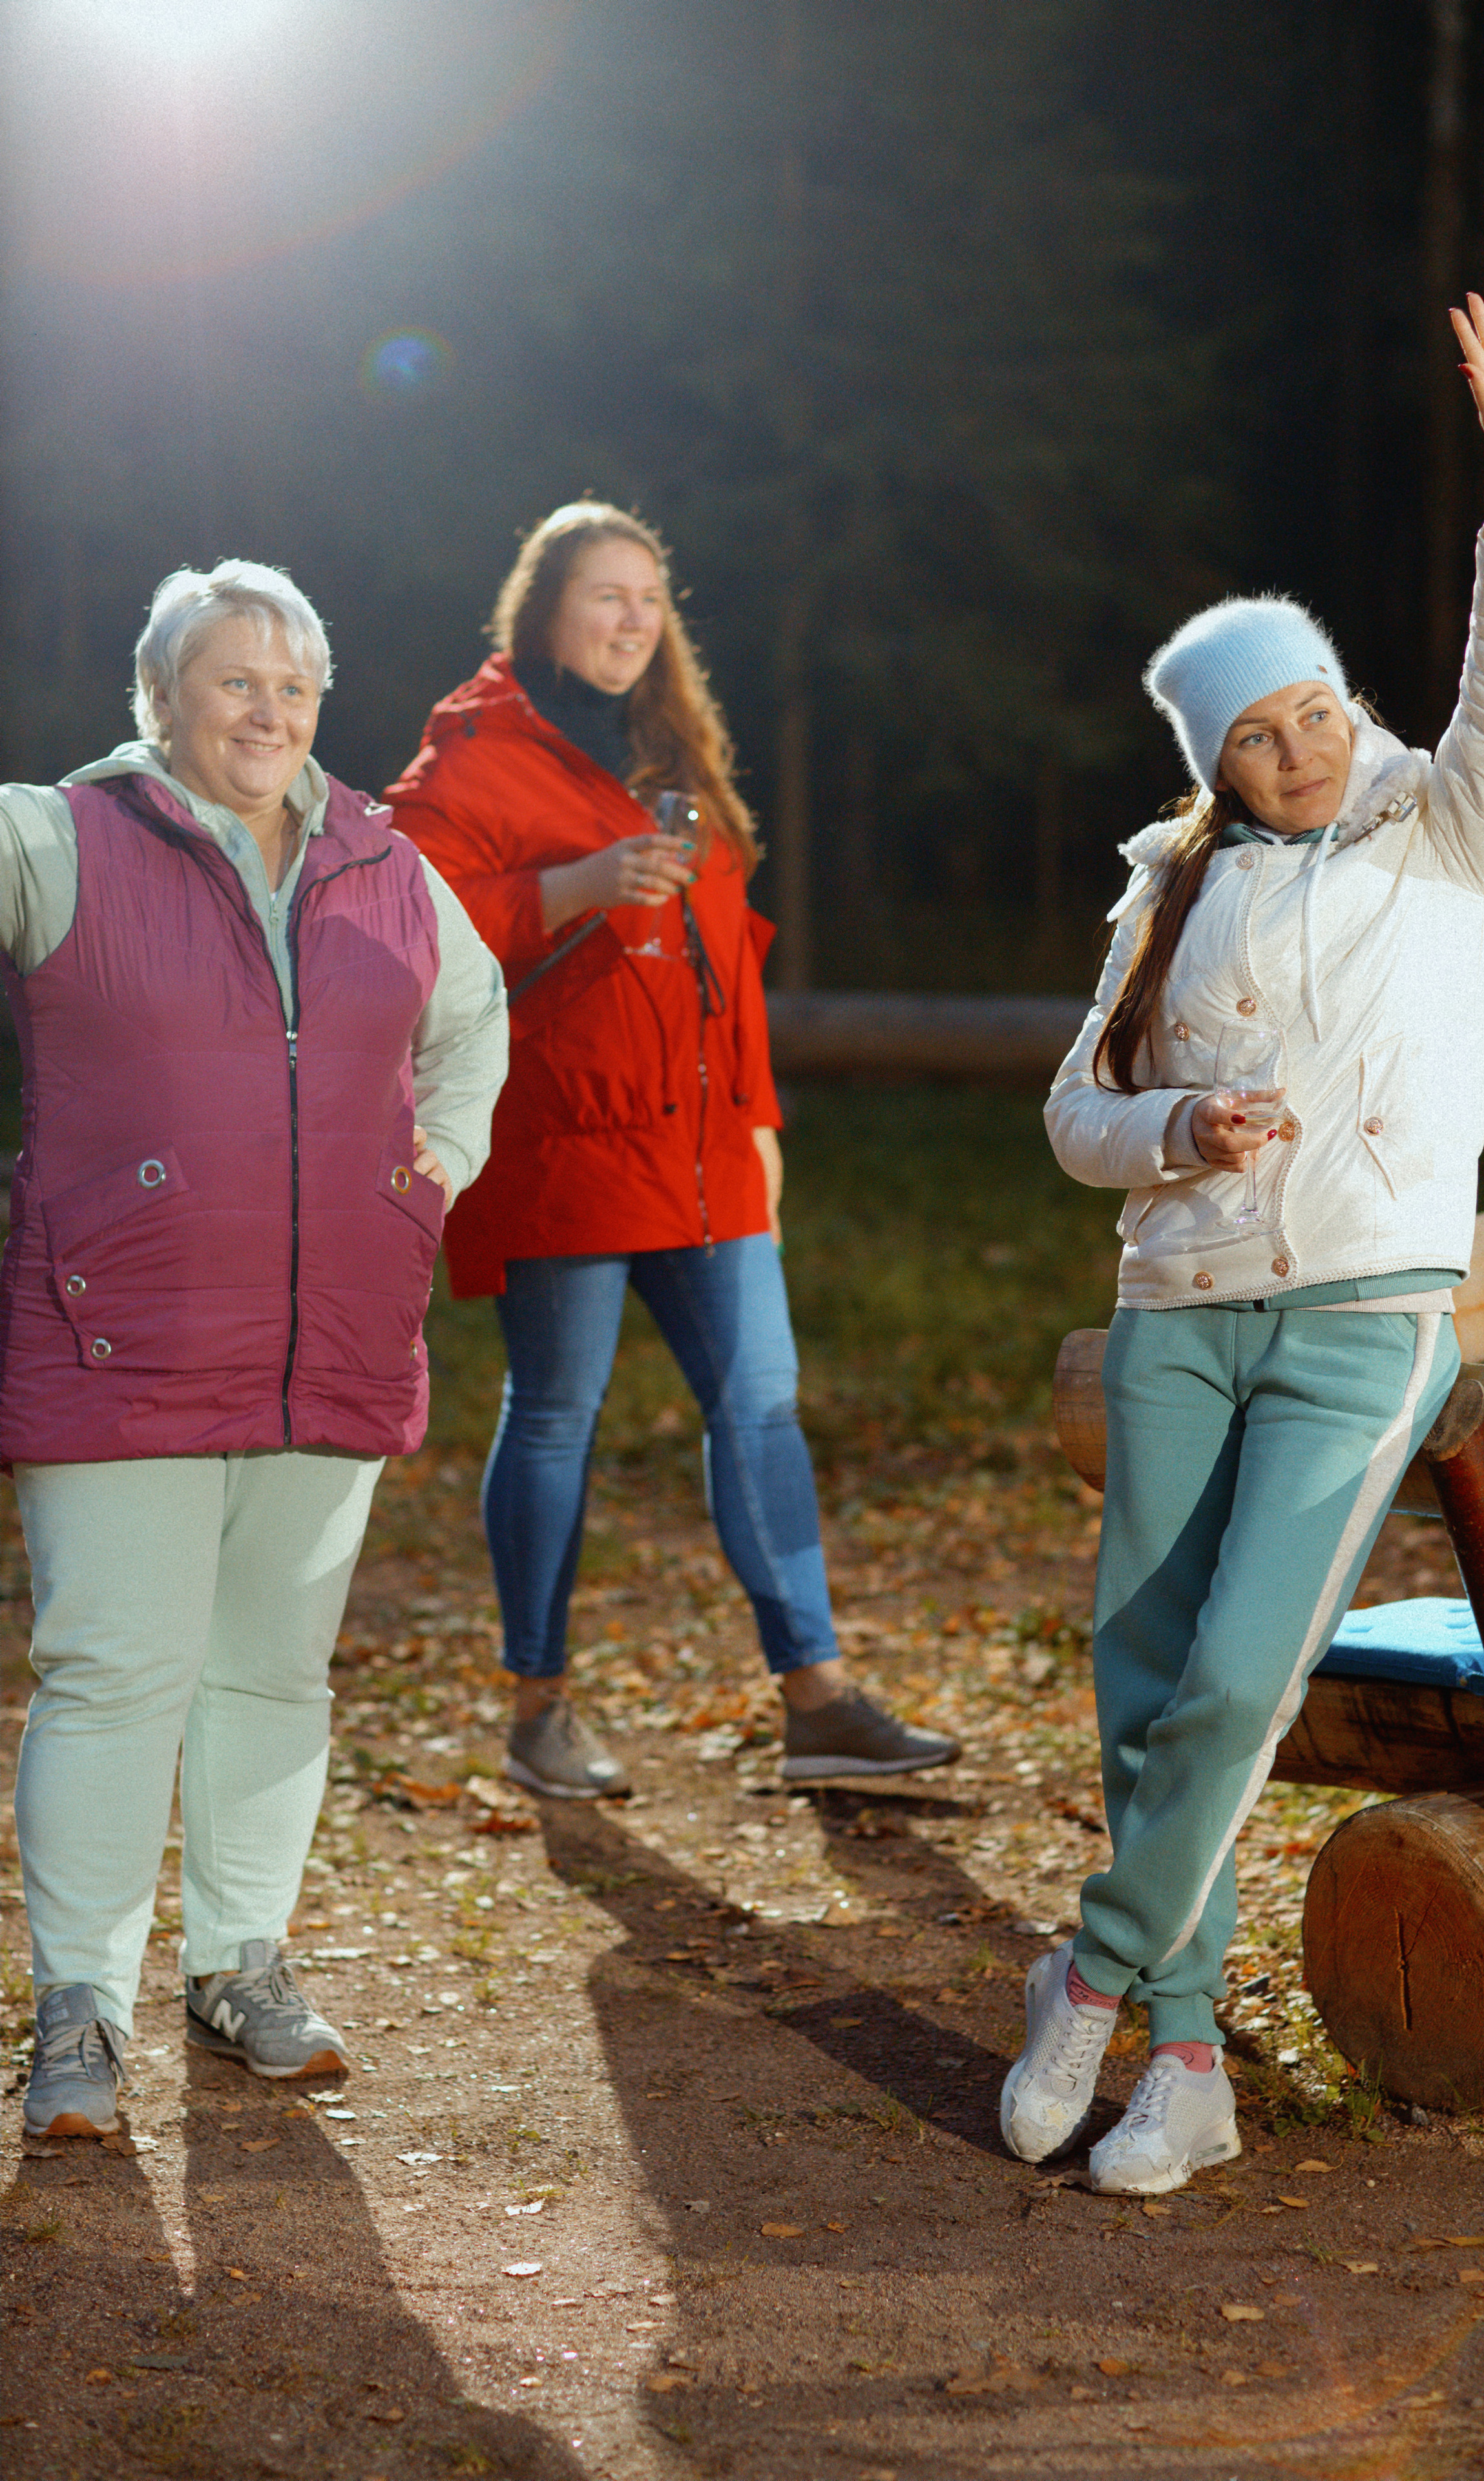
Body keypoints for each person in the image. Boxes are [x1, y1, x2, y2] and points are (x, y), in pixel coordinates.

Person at [1000, 296, 1484, 2193]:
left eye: (1314, 708)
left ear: (1350, 702)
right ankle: (1184, 2061)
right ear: (1215, 763)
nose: (1301, 748)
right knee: (1143, 1676)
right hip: (1180, 1309)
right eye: (1257, 735)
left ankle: (1084, 1968)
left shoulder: (1444, 820)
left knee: (1244, 1676)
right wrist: (1179, 1125)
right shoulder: (1170, 888)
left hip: (1362, 1314)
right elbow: (1081, 1115)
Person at [1, 560, 508, 2138]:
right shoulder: (61, 838)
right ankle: (77, 2010)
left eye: (294, 685)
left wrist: (432, 1165)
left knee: (272, 1674)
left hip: (331, 1331)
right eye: (235, 679)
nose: (270, 710)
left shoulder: (383, 862)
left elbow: (471, 1016)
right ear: (162, 697)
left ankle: (239, 1967)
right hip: (119, 1340)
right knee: (114, 1673)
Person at [384, 501, 958, 1795]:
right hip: (563, 1149)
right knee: (554, 1422)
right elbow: (403, 925)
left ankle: (814, 1700)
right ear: (543, 609)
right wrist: (569, 889)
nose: (634, 618)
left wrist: (760, 1122)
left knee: (759, 1405)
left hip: (704, 1156)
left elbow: (729, 963)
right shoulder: (470, 758)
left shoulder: (670, 754)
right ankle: (538, 1711)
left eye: (650, 596)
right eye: (605, 594)